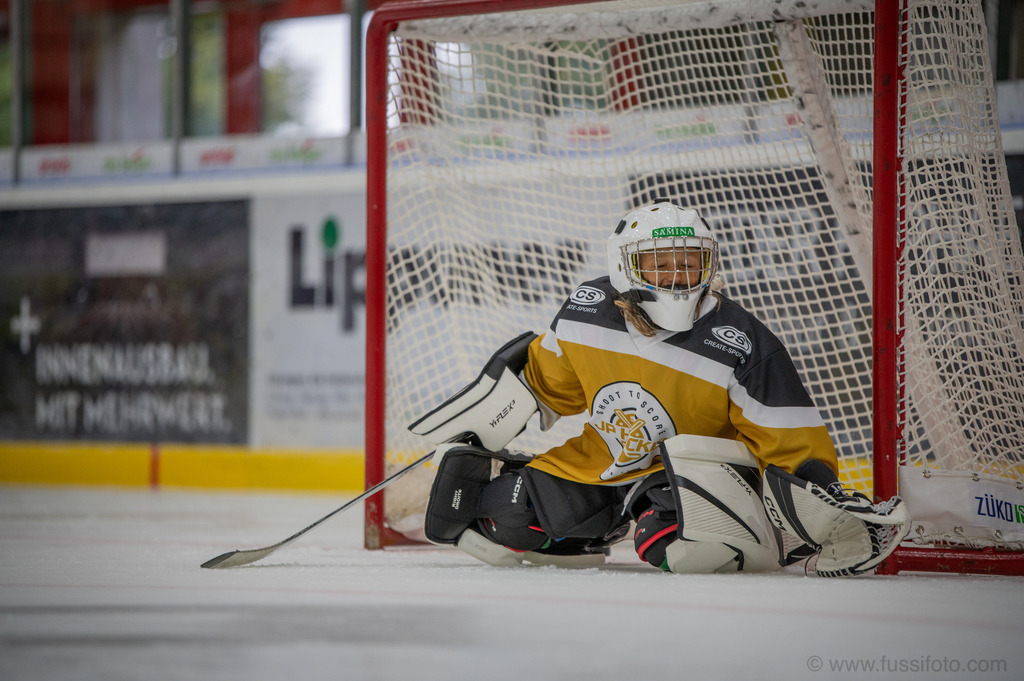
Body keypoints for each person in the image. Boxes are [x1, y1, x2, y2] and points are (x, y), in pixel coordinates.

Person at [412, 201, 909, 576]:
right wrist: (482, 426)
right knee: (506, 516)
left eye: (688, 262)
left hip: (691, 477)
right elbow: (547, 388)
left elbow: (790, 443)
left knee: (682, 549)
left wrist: (818, 507)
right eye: (660, 263)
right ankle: (589, 530)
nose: (676, 275)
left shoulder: (741, 341)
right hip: (606, 461)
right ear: (627, 267)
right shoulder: (588, 310)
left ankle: (667, 523)